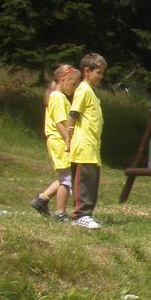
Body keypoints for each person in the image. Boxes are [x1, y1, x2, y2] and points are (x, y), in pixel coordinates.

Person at [31, 63, 80, 220]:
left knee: (65, 177)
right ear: (63, 79)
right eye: (73, 84)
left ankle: (42, 199)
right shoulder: (58, 98)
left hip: (59, 141)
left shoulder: (58, 97)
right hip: (60, 142)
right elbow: (60, 123)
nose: (74, 88)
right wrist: (69, 141)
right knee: (67, 180)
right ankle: (60, 213)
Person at [68, 52, 107, 230]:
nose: (101, 77)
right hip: (83, 145)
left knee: (92, 182)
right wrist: (68, 139)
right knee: (83, 181)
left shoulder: (91, 91)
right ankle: (80, 214)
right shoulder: (83, 89)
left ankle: (87, 213)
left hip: (92, 146)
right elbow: (73, 114)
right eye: (98, 72)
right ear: (87, 71)